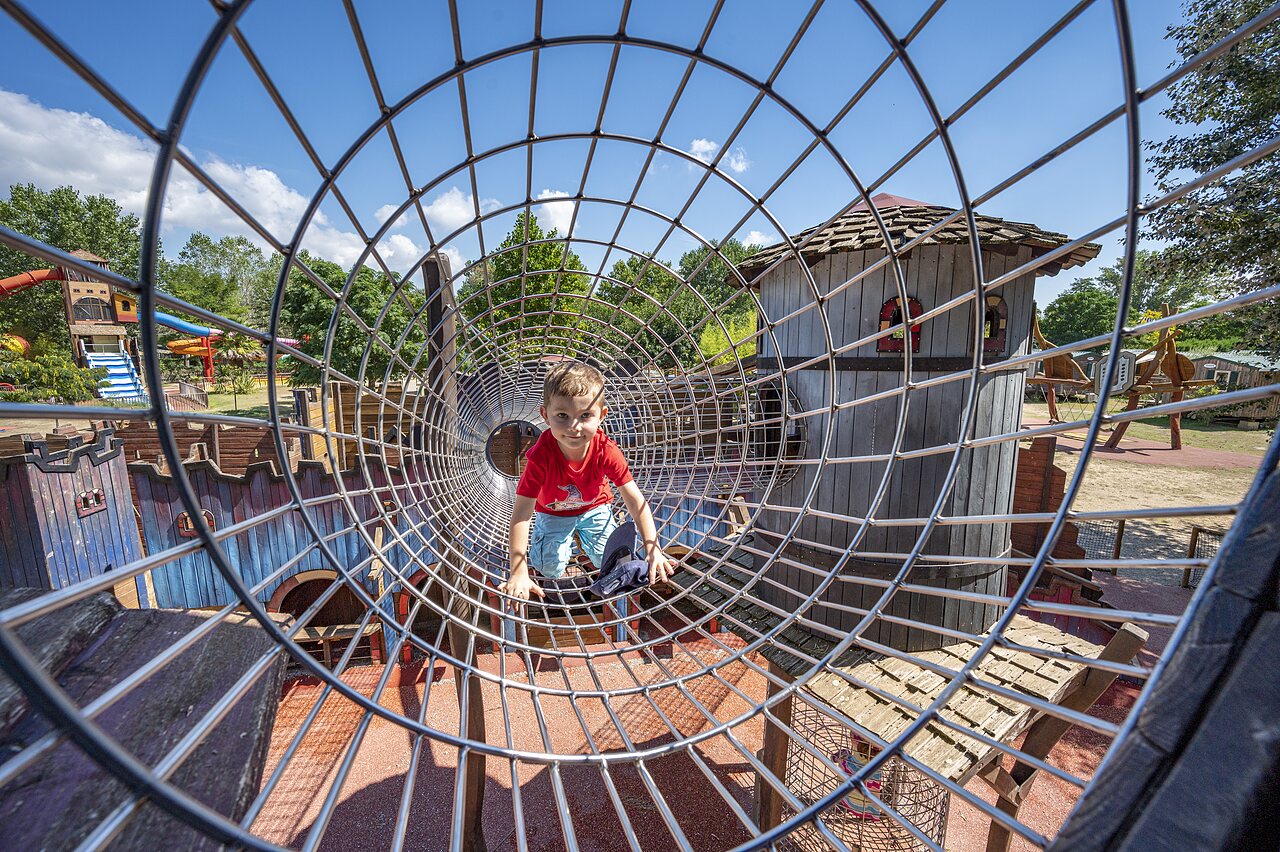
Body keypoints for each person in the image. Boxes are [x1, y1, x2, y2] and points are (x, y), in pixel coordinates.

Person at [500, 361, 675, 601]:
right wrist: (518, 571)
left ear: (601, 415)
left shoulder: (605, 450)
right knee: (549, 568)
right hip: (553, 511)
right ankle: (566, 540)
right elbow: (521, 513)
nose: (574, 427)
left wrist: (652, 547)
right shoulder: (541, 457)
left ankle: (582, 538)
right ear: (545, 415)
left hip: (594, 507)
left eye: (585, 415)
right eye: (562, 415)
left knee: (607, 559)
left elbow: (635, 500)